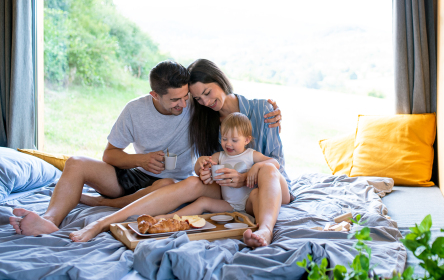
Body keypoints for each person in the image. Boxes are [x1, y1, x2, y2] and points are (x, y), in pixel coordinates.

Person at [9, 60, 282, 237]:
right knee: (78, 162)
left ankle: (102, 206)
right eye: (187, 98)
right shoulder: (176, 112)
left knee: (171, 183)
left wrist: (245, 170)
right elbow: (110, 155)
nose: (191, 103)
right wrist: (199, 165)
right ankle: (68, 220)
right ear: (156, 95)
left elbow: (271, 159)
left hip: (241, 183)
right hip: (156, 176)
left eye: (195, 96)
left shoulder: (232, 110)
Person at [154, 112, 289, 220]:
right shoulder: (220, 156)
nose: (228, 144)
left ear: (246, 140)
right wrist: (200, 163)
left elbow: (274, 163)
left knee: (256, 194)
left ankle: (261, 225)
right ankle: (170, 217)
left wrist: (257, 166)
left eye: (234, 140)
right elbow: (199, 170)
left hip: (249, 202)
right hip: (229, 204)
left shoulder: (251, 154)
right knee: (202, 201)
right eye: (224, 139)